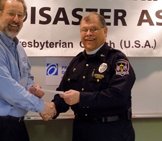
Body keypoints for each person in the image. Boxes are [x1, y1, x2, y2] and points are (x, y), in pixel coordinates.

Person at [0, 0, 56, 141]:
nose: (16, 20)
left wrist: (31, 88)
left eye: (20, 15)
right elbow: (8, 90)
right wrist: (42, 106)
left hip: (15, 127)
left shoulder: (18, 47)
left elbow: (25, 77)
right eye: (11, 14)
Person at [52, 12, 136, 141]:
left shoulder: (118, 60)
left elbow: (118, 95)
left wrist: (81, 98)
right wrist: (53, 108)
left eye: (94, 29)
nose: (88, 34)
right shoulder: (76, 62)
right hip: (81, 132)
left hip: (112, 132)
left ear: (105, 30)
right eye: (84, 30)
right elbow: (64, 93)